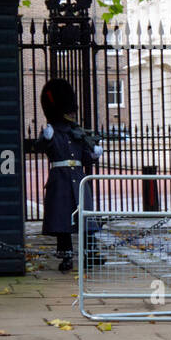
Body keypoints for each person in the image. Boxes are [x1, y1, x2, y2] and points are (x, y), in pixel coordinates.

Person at [33, 79, 104, 271]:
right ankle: (66, 257)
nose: (73, 113)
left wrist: (94, 155)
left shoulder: (77, 133)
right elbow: (39, 147)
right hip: (60, 180)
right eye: (70, 110)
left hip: (78, 179)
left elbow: (84, 158)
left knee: (86, 218)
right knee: (63, 222)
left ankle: (91, 254)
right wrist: (45, 139)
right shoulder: (52, 132)